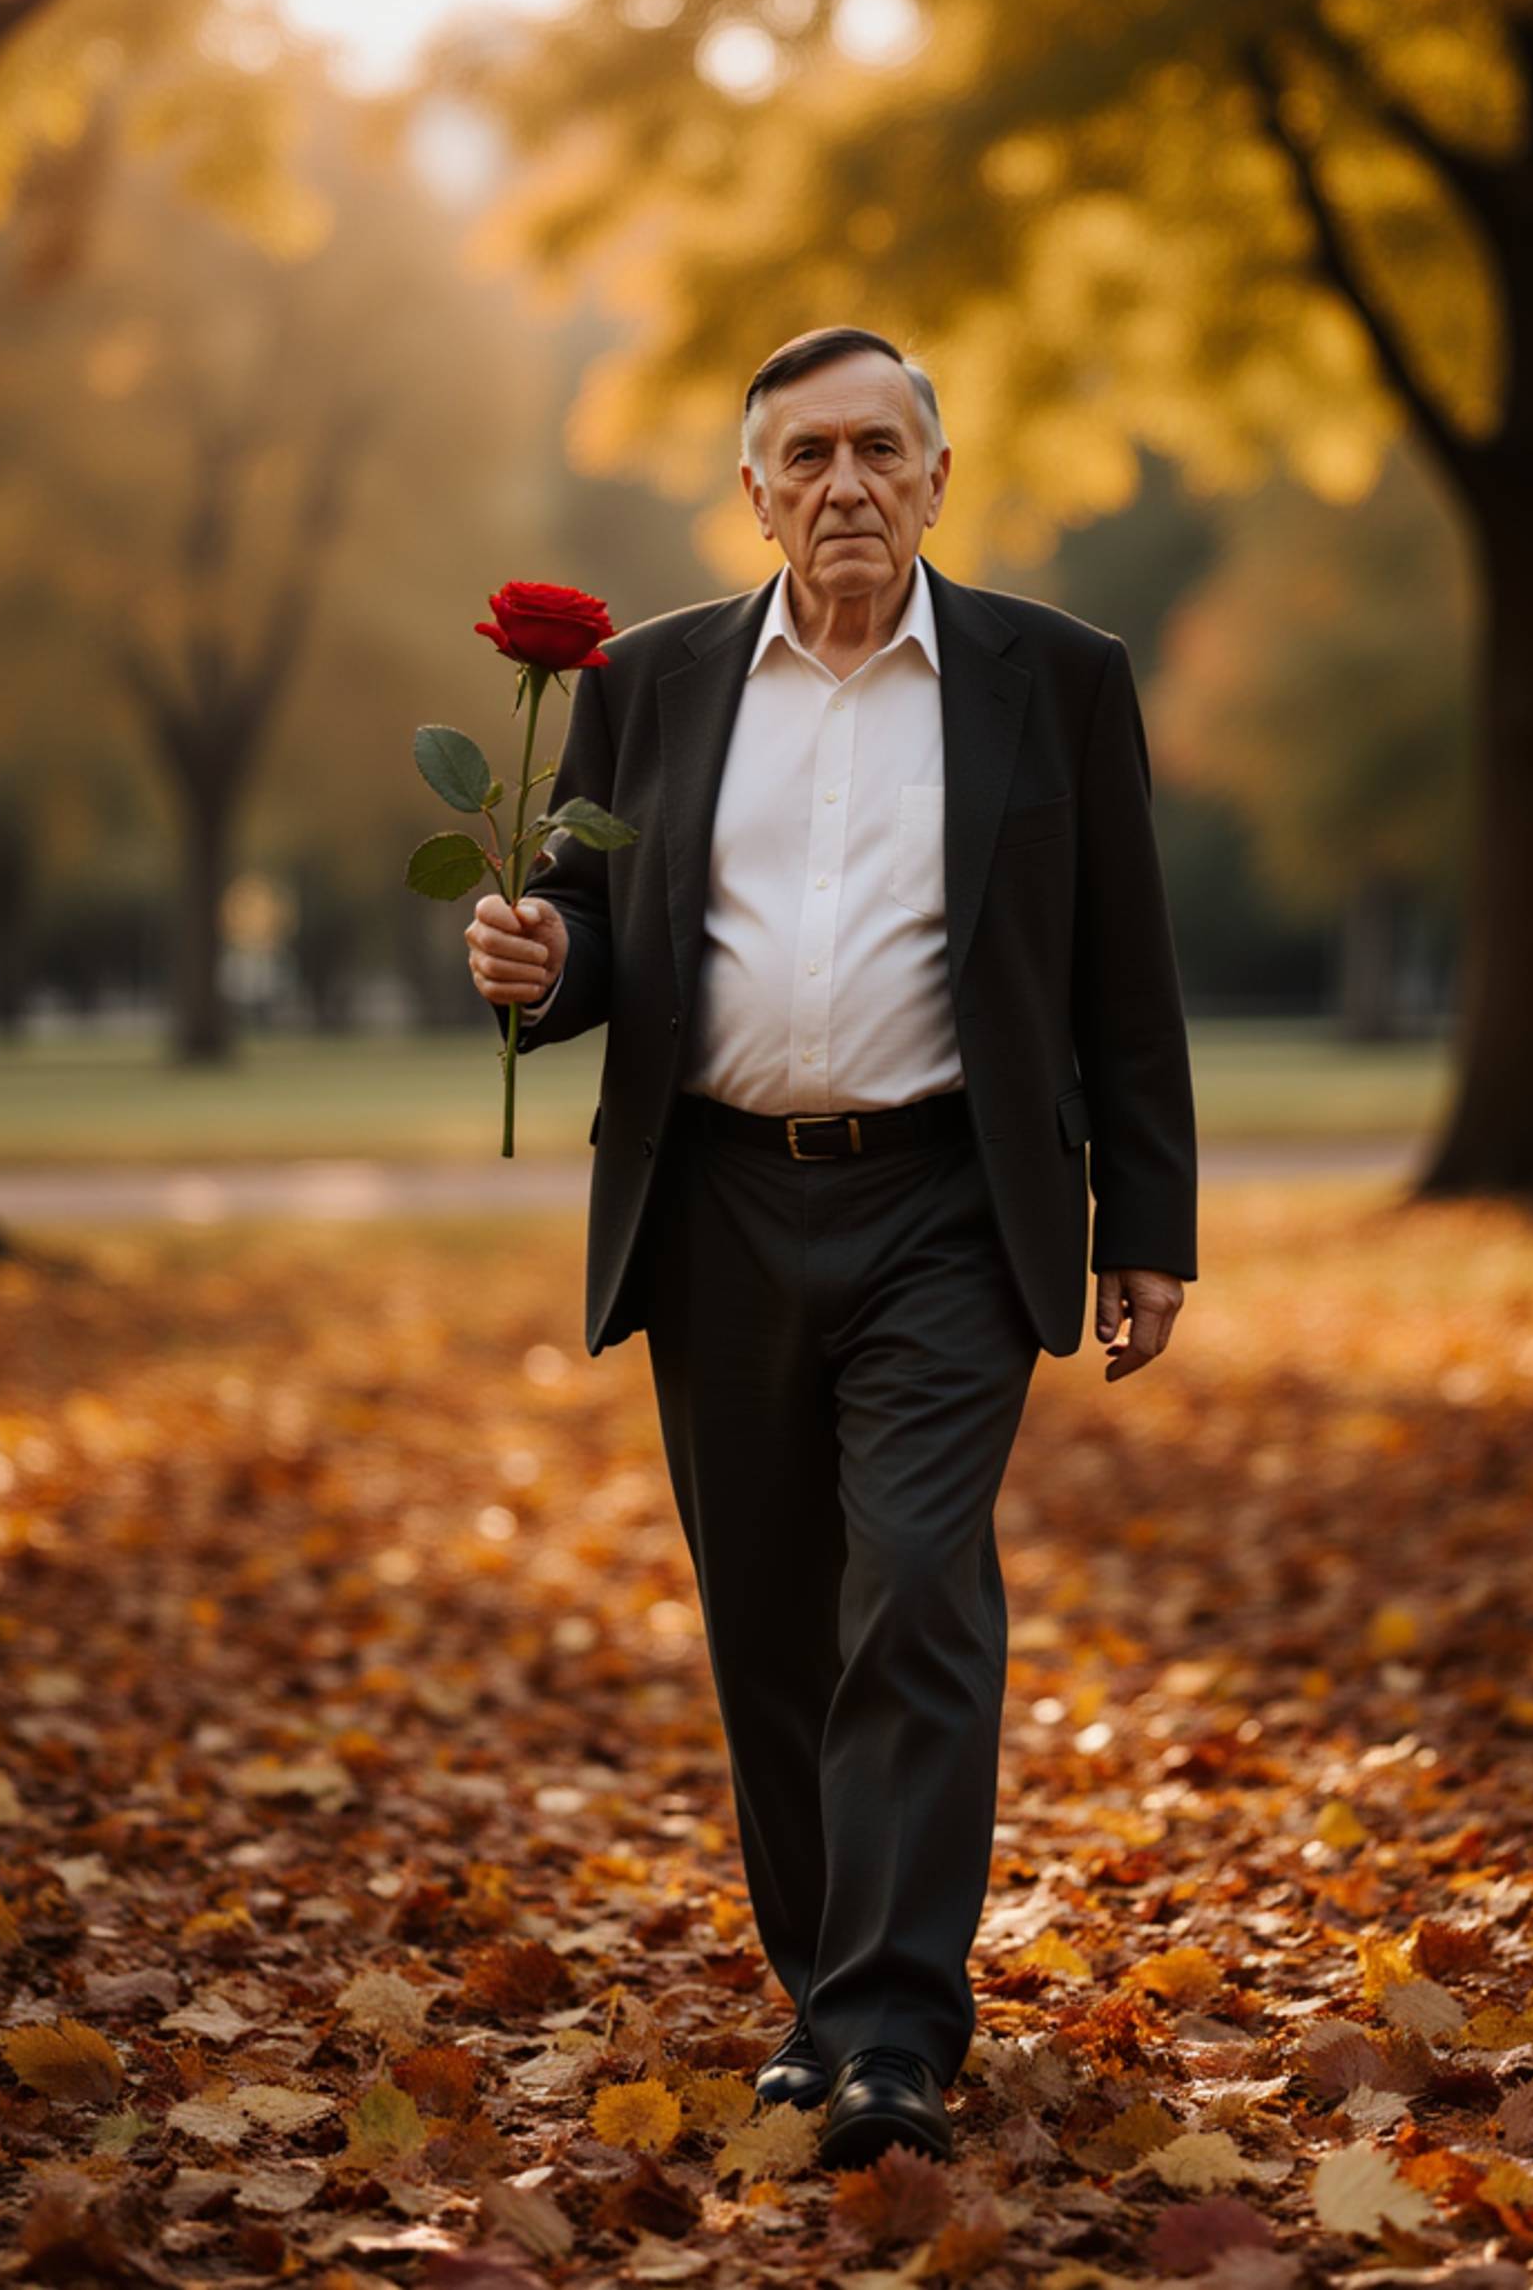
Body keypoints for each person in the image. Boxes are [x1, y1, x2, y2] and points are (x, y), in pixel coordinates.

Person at [465, 324, 1197, 2169]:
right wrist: (543, 964)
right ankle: (820, 2000)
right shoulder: (648, 685)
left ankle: (891, 2032)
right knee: (772, 1625)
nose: (847, 484)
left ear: (939, 475)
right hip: (714, 1205)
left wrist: (1150, 1220)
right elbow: (595, 922)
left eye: (881, 448)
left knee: (917, 1596)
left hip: (951, 1206)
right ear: (756, 492)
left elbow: (1123, 968)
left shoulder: (1057, 677)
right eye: (809, 457)